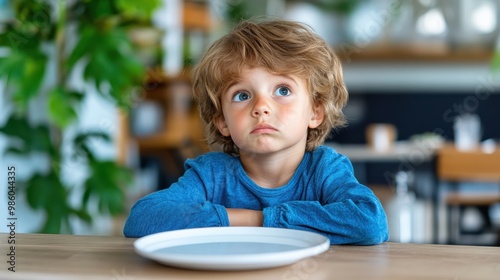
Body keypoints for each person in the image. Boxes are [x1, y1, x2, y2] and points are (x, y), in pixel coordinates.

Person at [123, 18, 389, 245]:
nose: (261, 107)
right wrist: (242, 219)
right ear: (222, 121)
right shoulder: (211, 174)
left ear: (315, 112)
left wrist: (262, 219)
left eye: (282, 90)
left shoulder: (324, 169)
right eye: (242, 95)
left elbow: (370, 222)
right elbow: (142, 218)